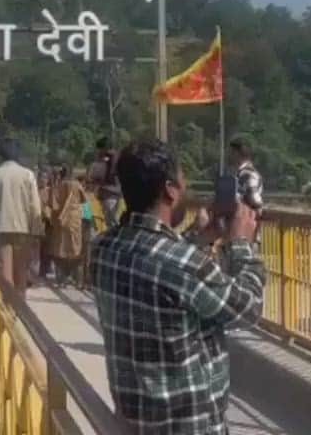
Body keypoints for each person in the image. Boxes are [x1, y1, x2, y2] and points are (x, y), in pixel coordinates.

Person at [89, 139, 264, 435]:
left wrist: (198, 237)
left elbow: (157, 262)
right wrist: (241, 244)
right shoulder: (184, 266)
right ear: (170, 190)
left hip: (134, 422)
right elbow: (248, 307)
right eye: (183, 184)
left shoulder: (102, 248)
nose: (186, 191)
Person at [0, 139, 42, 301]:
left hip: (1, 229)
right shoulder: (27, 175)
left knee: (5, 272)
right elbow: (35, 206)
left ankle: (8, 307)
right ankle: (21, 305)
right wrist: (37, 232)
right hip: (23, 229)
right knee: (21, 272)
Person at [46, 166, 86, 286]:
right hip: (75, 221)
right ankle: (78, 280)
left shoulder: (59, 186)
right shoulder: (77, 185)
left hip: (60, 222)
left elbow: (53, 204)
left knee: (60, 250)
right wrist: (87, 218)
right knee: (76, 250)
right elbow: (85, 201)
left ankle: (61, 279)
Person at [228, 137, 265, 210]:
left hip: (245, 213)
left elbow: (254, 199)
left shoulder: (249, 174)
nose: (229, 155)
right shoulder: (238, 173)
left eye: (232, 152)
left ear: (238, 154)